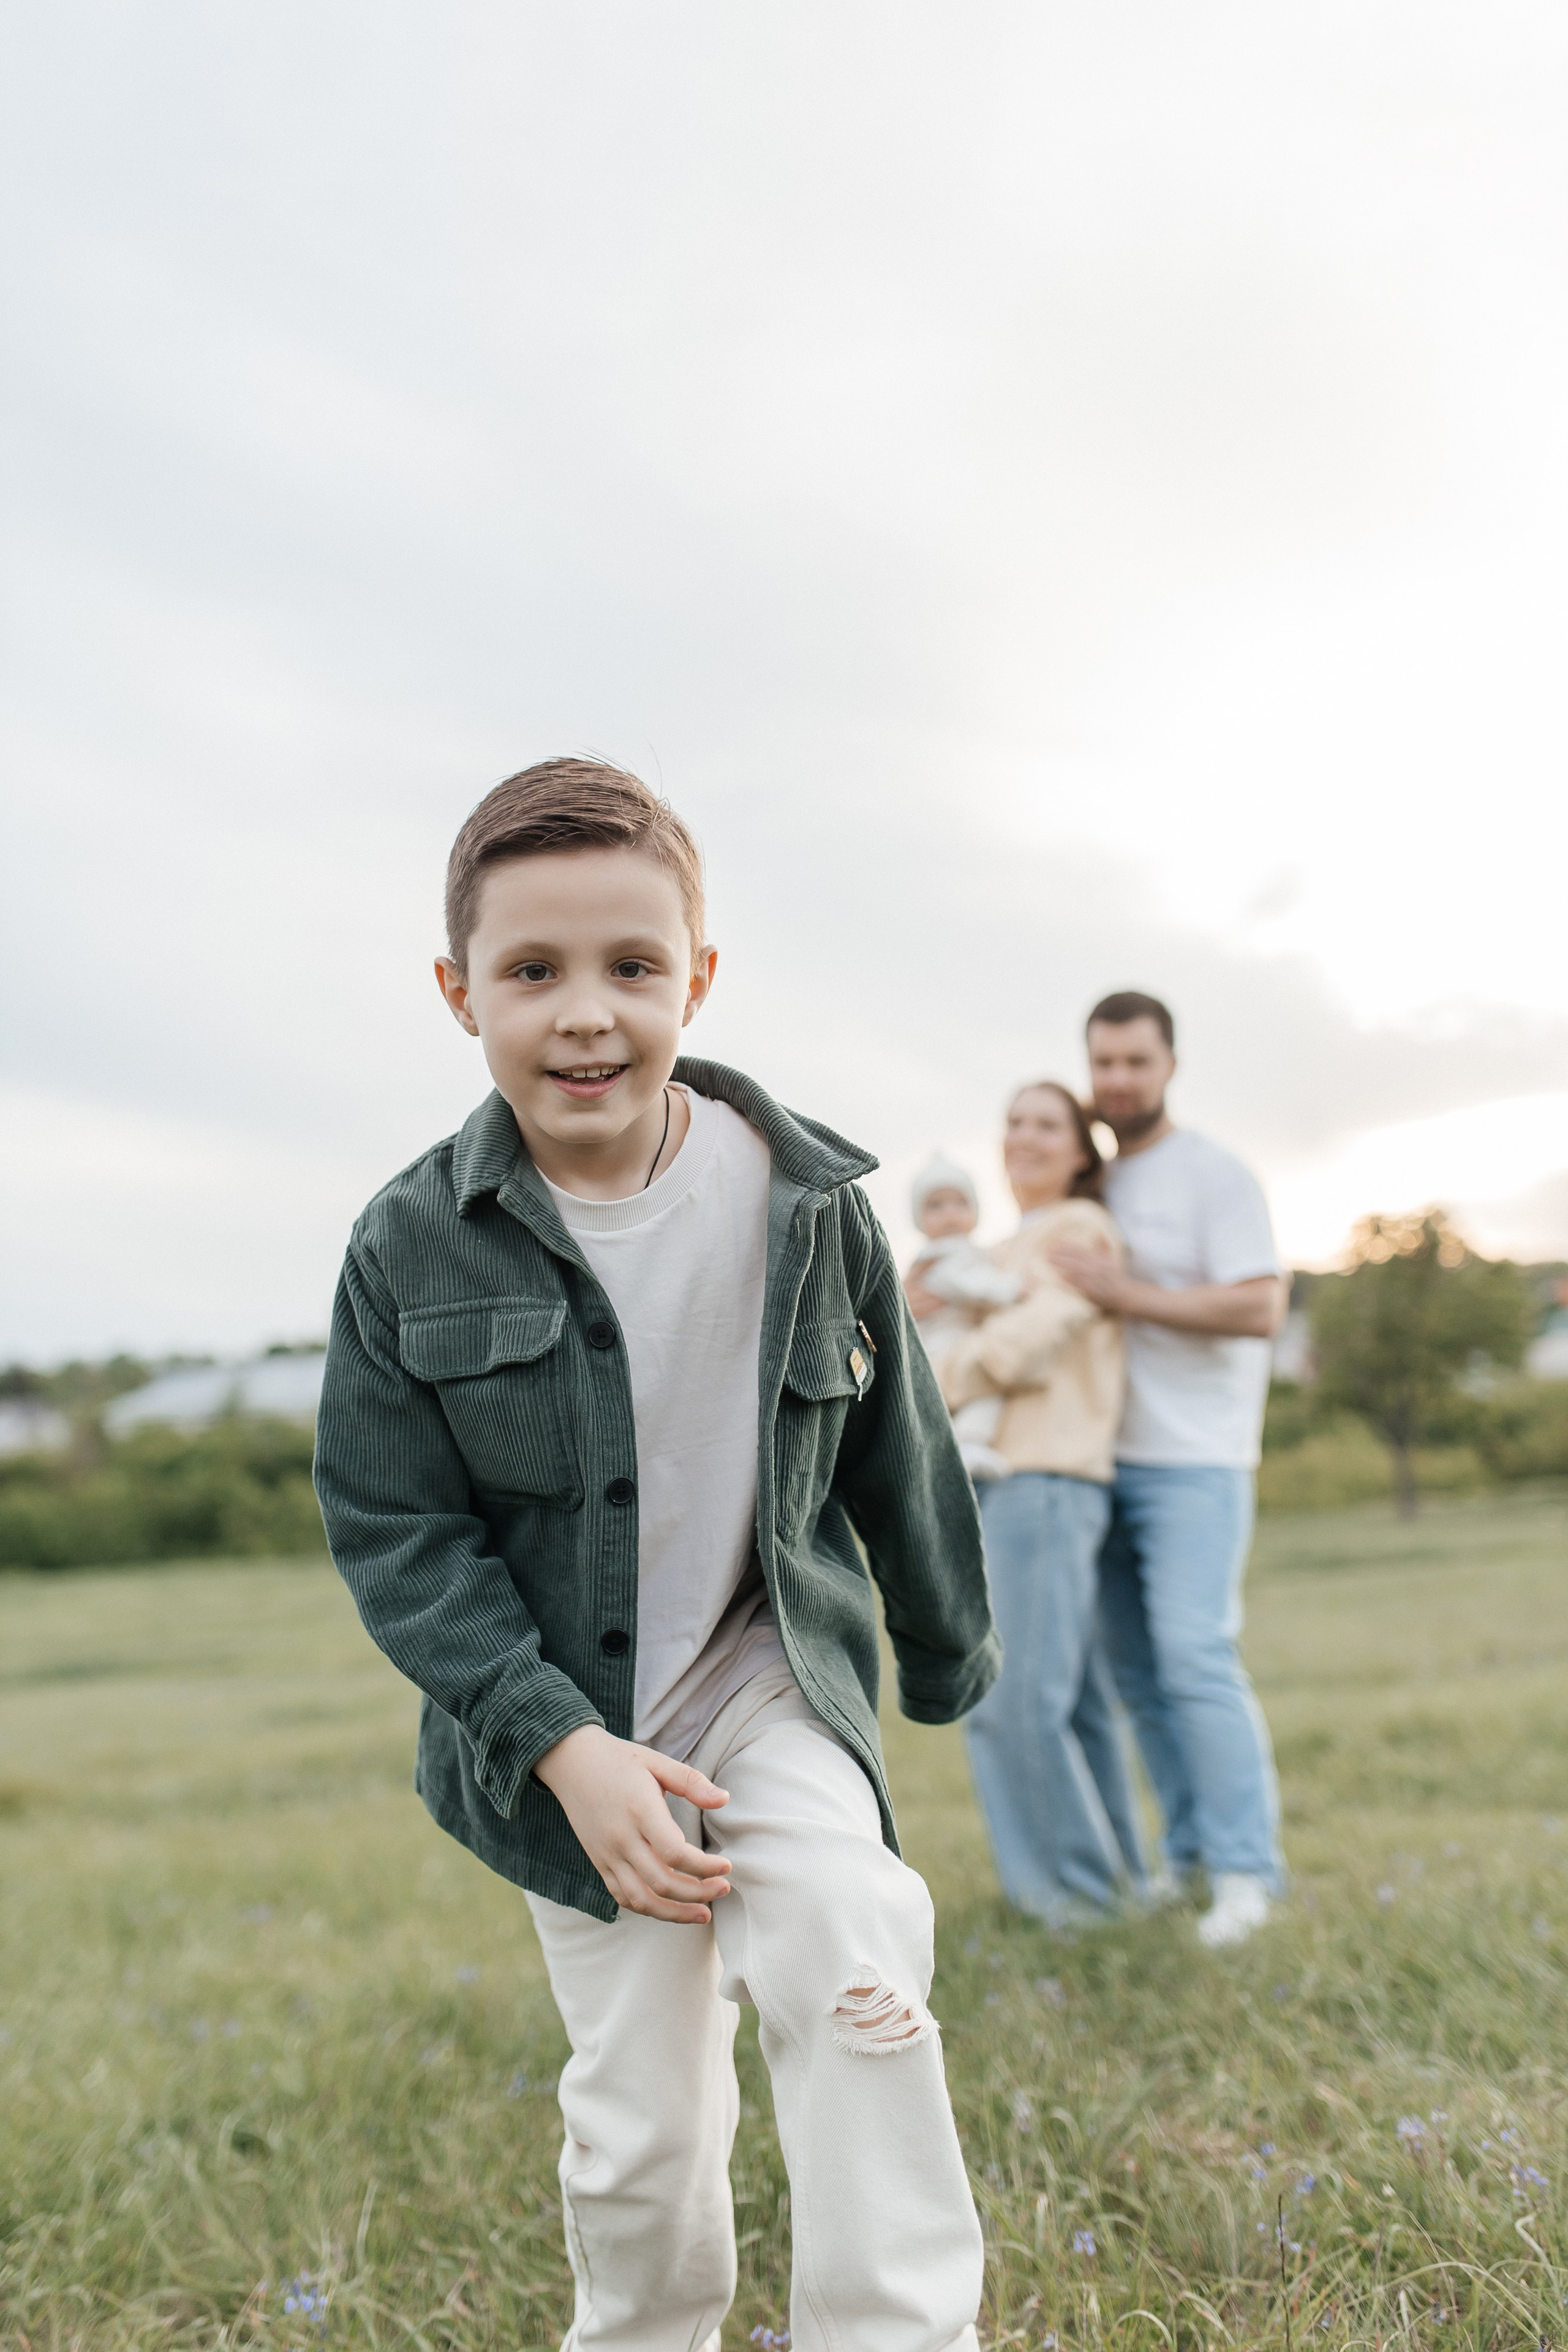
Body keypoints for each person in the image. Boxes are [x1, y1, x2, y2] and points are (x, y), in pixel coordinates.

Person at [312, 758, 999, 2352]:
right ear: (456, 990)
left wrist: (950, 1647)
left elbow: (902, 1442)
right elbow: (400, 1536)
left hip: (771, 1683)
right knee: (644, 2138)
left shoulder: (804, 1197)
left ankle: (895, 2332)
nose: (587, 1016)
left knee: (853, 1943)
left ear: (697, 973)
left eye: (633, 967)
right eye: (532, 971)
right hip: (567, 1733)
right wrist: (563, 1750)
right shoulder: (406, 1247)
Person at [1049, 991, 1287, 1950]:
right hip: (1100, 1463)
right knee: (1139, 1681)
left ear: (1170, 1066)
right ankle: (1187, 1859)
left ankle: (1247, 1873)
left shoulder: (1214, 1175)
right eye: (1103, 1063)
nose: (1117, 1081)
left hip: (1196, 1461)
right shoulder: (1094, 1185)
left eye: (1135, 1063)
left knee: (1195, 1660)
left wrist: (1126, 1294)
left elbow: (1260, 1309)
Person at [909, 1083, 1147, 1928]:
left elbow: (1032, 1342)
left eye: (1047, 1124)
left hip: (1042, 1479)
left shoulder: (1076, 1232)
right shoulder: (998, 1247)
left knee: (1011, 1701)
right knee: (1070, 1702)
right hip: (1012, 1483)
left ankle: (1074, 1905)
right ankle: (1122, 1886)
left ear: (1083, 1150)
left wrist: (935, 1370)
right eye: (1013, 1123)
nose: (1025, 1138)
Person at [904, 1152, 1022, 1482]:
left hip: (950, 1339)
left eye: (959, 1204)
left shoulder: (968, 1250)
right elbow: (964, 1283)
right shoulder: (940, 1253)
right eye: (936, 1206)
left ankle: (961, 1447)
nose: (950, 1215)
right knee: (985, 1387)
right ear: (919, 1218)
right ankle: (970, 1444)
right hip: (942, 1341)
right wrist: (1012, 1290)